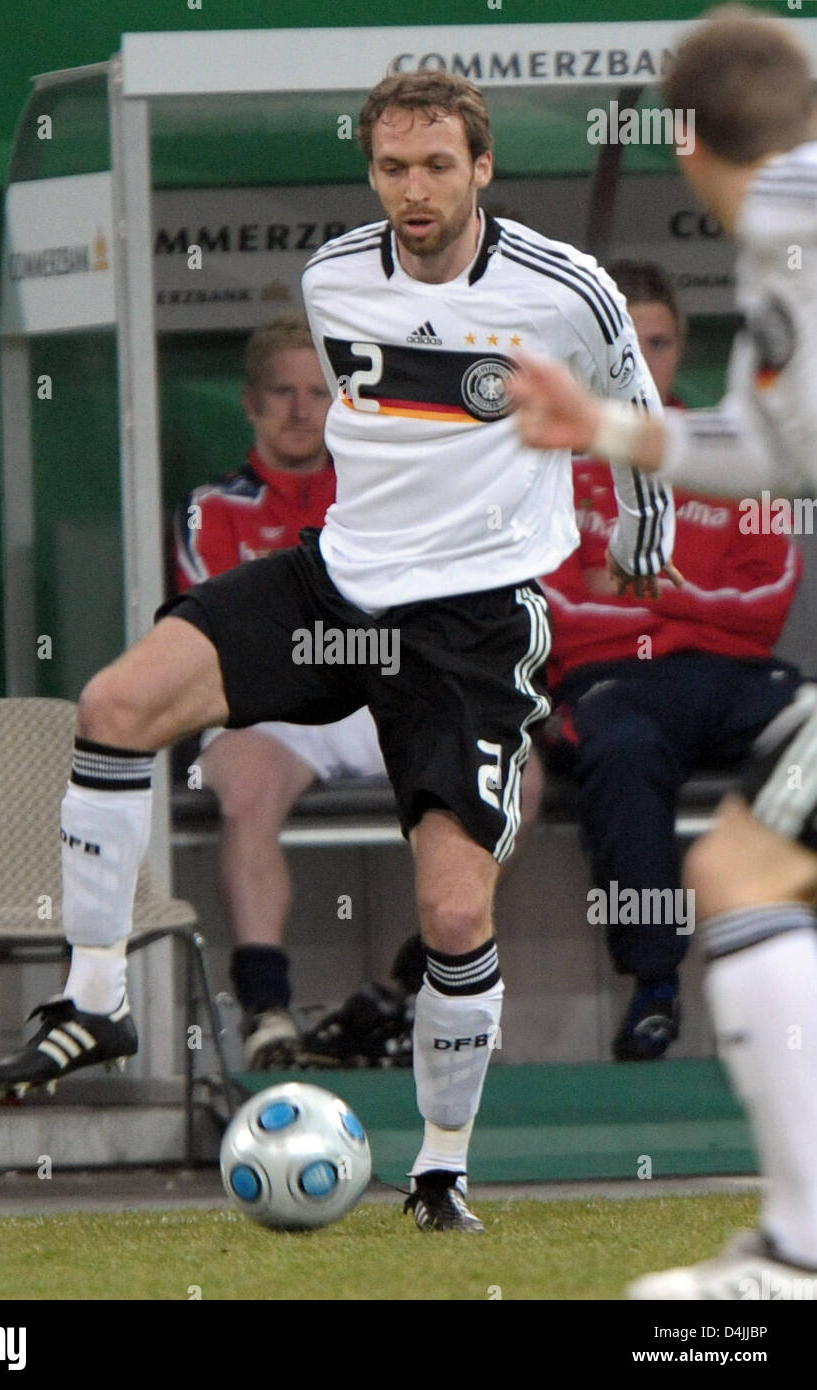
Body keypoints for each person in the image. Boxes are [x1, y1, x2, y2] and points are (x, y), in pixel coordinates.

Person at [0, 68, 673, 1232]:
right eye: (394, 166)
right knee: (113, 703)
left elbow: (641, 424)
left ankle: (444, 1163)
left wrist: (643, 536)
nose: (415, 188)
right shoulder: (334, 274)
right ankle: (96, 996)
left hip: (473, 625)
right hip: (338, 583)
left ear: (482, 167)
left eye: (438, 165)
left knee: (456, 915)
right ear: (373, 170)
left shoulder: (569, 290)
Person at [510, 5, 817, 1295]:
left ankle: (800, 1255)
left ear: (687, 143)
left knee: (742, 867)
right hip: (641, 682)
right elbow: (785, 453)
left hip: (724, 677)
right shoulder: (788, 235)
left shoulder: (790, 235)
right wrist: (615, 431)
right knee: (747, 861)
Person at [541, 259, 802, 1061]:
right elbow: (556, 609)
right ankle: (654, 990)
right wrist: (673, 597)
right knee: (620, 750)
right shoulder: (551, 461)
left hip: (732, 677)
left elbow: (769, 600)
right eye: (622, 342)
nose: (640, 362)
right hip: (613, 680)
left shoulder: (723, 452)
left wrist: (645, 586)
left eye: (656, 343)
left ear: (679, 347)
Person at [172, 315, 386, 1070]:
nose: (301, 410)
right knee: (248, 788)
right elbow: (222, 634)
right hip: (265, 706)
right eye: (281, 393)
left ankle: (407, 992)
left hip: (368, 692)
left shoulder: (378, 498)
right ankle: (268, 1011)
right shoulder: (215, 507)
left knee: (509, 767)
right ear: (251, 405)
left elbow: (399, 612)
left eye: (317, 393)